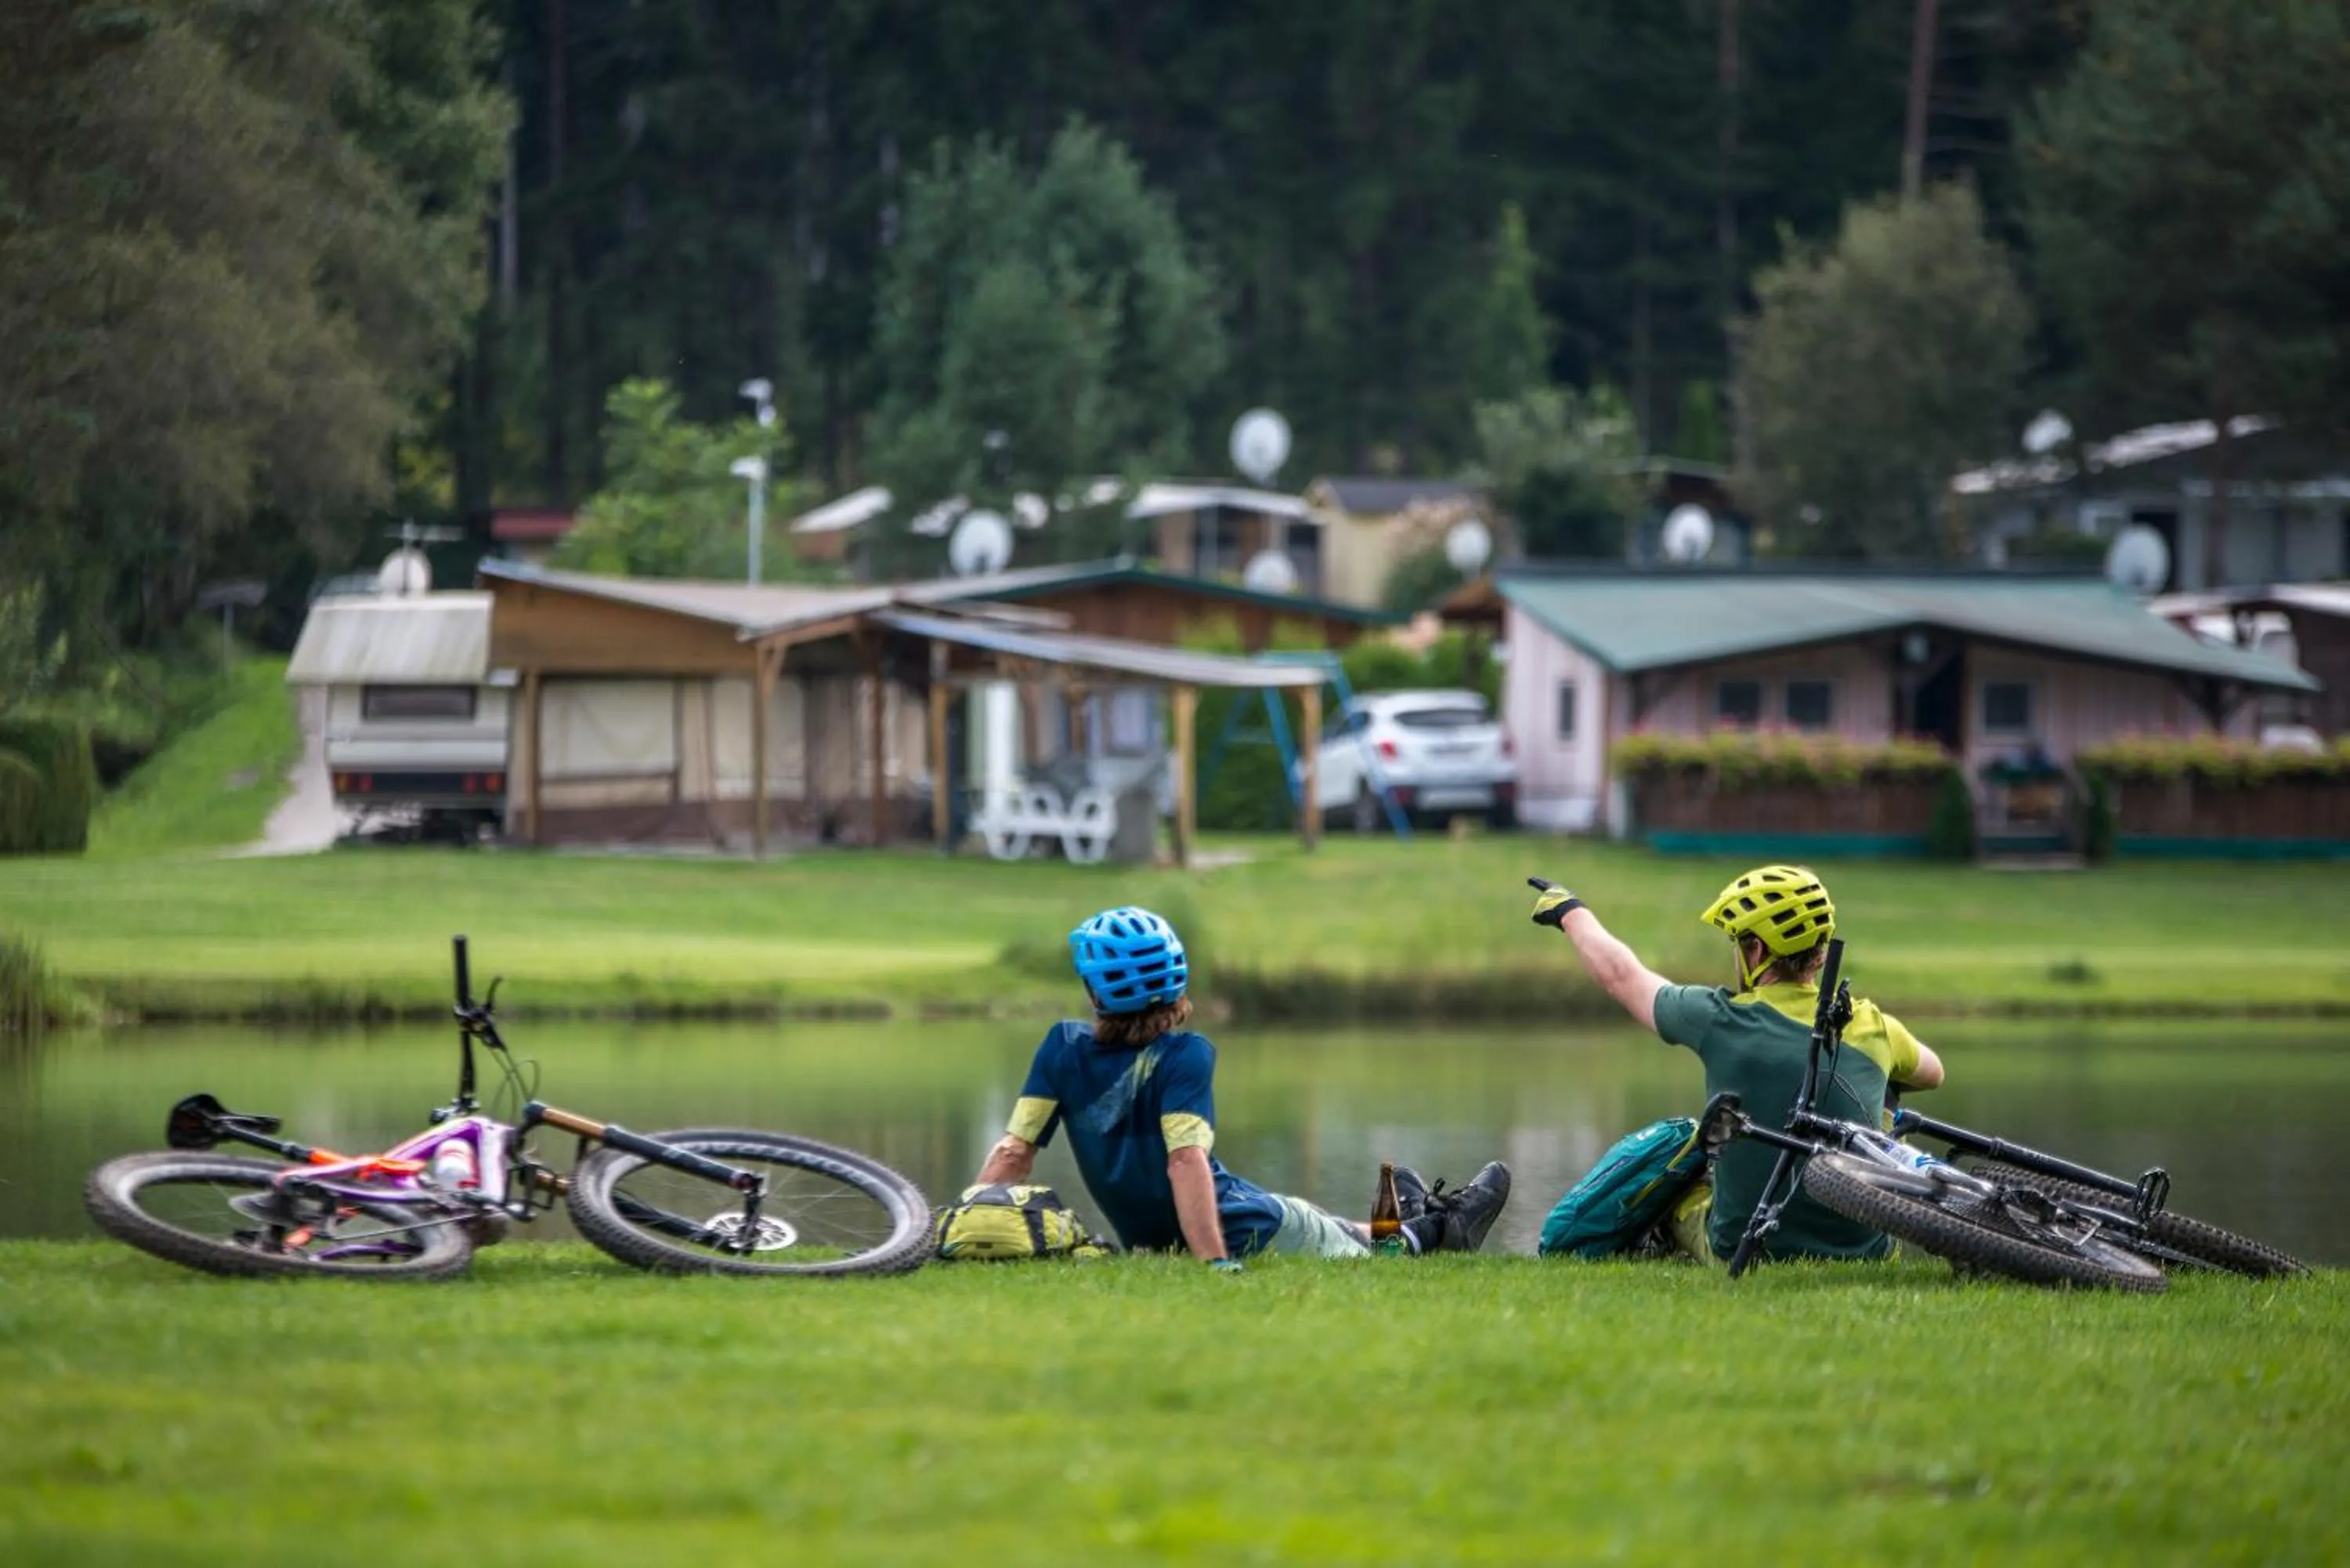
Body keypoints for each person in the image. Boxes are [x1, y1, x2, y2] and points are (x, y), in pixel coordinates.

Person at [974, 905, 1513, 1268]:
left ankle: (1441, 1228)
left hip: (1245, 1223)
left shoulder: (1062, 1047)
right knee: (1334, 1232)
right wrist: (1213, 1259)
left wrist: (964, 1226)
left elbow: (1014, 1153)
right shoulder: (1183, 1053)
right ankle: (1421, 1217)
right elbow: (1184, 1161)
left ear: (1096, 991)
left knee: (1363, 1250)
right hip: (1237, 1216)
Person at [1529, 865, 1945, 1264]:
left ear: (1756, 950)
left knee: (1682, 1151)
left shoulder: (1721, 1018)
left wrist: (1570, 911)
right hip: (1866, 1251)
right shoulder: (1871, 1024)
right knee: (1887, 1091)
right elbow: (1933, 1073)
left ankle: (1646, 1239)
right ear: (1821, 953)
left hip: (1745, 1250)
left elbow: (1622, 976)